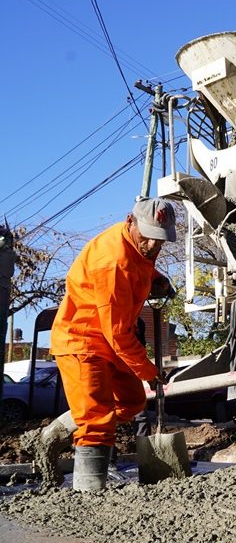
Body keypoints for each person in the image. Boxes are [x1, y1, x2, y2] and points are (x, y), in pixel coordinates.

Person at [51, 197, 177, 491]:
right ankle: (89, 491)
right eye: (148, 238)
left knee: (131, 401)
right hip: (82, 339)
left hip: (109, 338)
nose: (153, 247)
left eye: (160, 240)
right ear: (129, 221)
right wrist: (148, 370)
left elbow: (139, 265)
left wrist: (155, 278)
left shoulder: (137, 246)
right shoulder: (112, 263)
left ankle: (57, 432)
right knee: (98, 420)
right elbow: (118, 333)